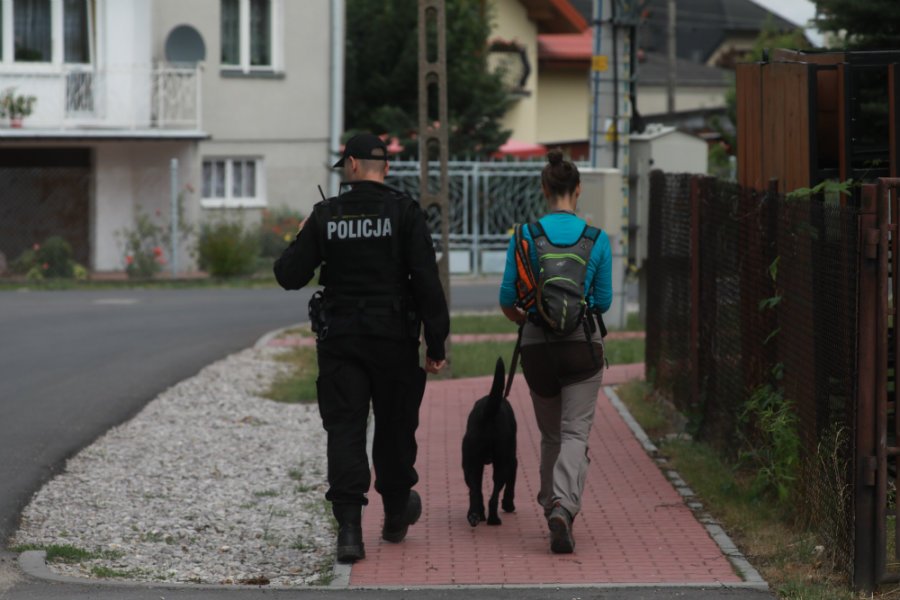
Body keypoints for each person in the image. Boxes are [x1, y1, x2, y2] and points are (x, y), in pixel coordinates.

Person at [274, 133, 449, 564]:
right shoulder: (404, 212)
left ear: (351, 165)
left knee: (346, 430)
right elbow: (427, 281)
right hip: (394, 339)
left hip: (341, 342)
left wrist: (300, 237)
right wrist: (437, 341)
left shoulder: (326, 215)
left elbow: (288, 275)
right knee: (394, 427)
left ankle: (349, 532)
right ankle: (394, 516)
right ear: (384, 168)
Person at [498, 149, 612, 554]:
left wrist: (525, 320)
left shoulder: (525, 237)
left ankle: (551, 506)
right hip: (582, 347)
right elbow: (603, 302)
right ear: (578, 190)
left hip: (537, 347)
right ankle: (564, 505)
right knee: (575, 432)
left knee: (550, 434)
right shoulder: (597, 240)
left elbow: (507, 297)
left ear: (544, 189)